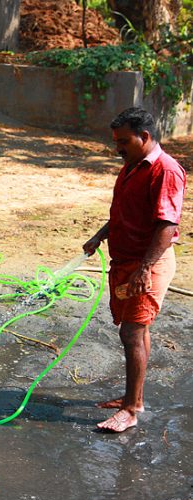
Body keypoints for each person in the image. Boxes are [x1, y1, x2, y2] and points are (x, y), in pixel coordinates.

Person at [83, 107, 186, 433]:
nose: (118, 148)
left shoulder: (165, 170)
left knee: (131, 332)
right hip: (128, 263)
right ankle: (133, 396)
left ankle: (131, 408)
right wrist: (100, 236)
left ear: (145, 136)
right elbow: (125, 212)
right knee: (138, 331)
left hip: (148, 264)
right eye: (116, 141)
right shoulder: (132, 167)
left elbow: (166, 226)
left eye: (124, 141)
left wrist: (145, 269)